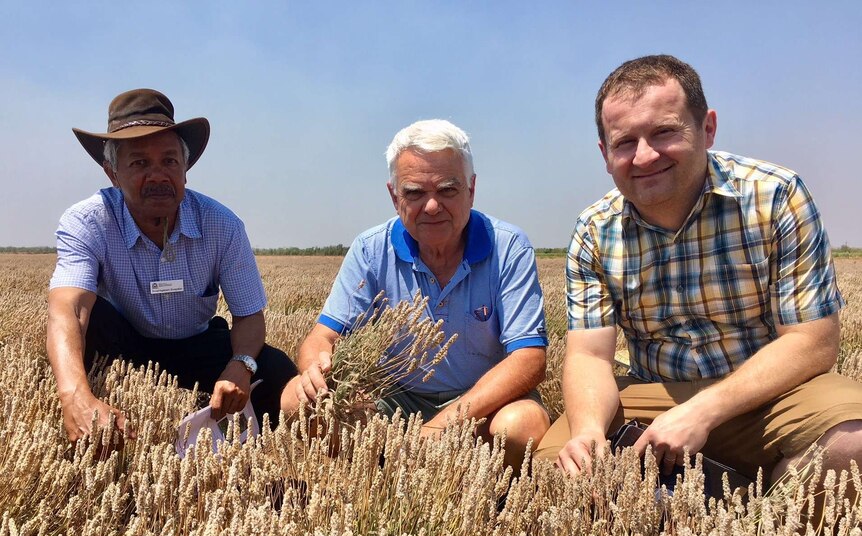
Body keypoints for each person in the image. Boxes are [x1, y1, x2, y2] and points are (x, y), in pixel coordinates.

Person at [534, 55, 862, 488]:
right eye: (625, 141)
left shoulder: (775, 195)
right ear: (605, 153)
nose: (645, 155)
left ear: (707, 128)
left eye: (664, 132)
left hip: (765, 393)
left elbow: (811, 343)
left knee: (852, 445)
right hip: (649, 392)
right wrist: (590, 431)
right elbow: (589, 355)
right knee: (550, 477)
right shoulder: (595, 229)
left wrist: (702, 411)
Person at [281, 119, 549, 468]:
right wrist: (315, 366)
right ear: (395, 197)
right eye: (415, 193)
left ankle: (481, 498)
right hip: (394, 404)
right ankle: (372, 485)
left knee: (521, 427)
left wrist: (445, 423)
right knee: (296, 401)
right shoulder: (370, 249)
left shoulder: (508, 247)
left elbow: (529, 358)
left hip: (484, 405)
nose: (432, 207)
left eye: (447, 190)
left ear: (471, 189)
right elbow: (323, 335)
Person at [48, 88, 297, 442]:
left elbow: (249, 315)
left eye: (169, 161)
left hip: (196, 345)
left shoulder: (222, 225)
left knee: (276, 368)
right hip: (124, 344)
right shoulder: (87, 221)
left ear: (186, 169)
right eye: (139, 163)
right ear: (112, 173)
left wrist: (240, 366)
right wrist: (74, 394)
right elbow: (68, 308)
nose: (158, 176)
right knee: (90, 329)